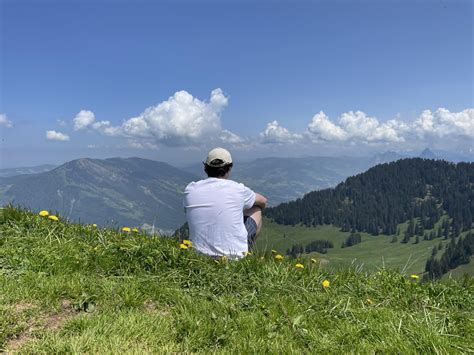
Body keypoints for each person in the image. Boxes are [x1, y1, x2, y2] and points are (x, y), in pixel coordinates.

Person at [183, 147, 267, 259]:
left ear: (205, 168)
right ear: (230, 168)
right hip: (233, 259)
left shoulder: (191, 189)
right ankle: (247, 255)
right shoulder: (238, 189)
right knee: (256, 209)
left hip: (198, 258)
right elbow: (263, 200)